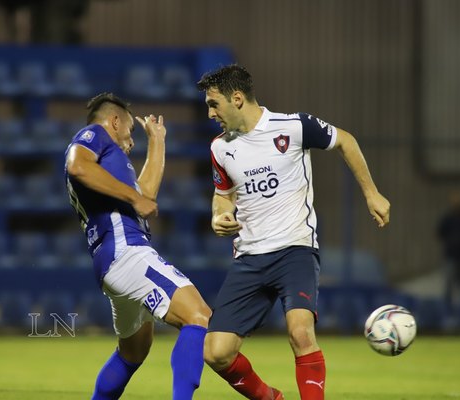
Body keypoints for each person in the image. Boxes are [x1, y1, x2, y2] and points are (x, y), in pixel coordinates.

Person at [197, 65, 390, 400]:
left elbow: (345, 140)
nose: (210, 113)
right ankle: (271, 398)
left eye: (214, 104)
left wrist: (371, 192)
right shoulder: (220, 148)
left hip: (295, 250)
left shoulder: (294, 126)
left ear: (237, 98)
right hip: (249, 258)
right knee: (216, 352)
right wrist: (220, 215)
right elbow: (223, 194)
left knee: (301, 333)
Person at [64, 92, 211, 400]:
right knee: (198, 315)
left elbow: (146, 193)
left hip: (111, 262)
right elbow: (77, 166)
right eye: (129, 131)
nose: (130, 140)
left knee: (134, 352)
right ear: (114, 121)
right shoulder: (95, 135)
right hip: (127, 252)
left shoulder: (112, 168)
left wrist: (157, 142)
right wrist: (134, 198)